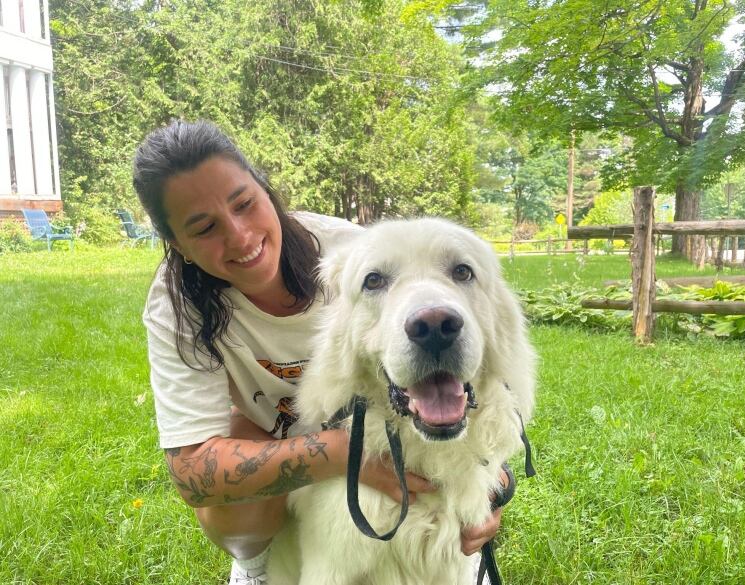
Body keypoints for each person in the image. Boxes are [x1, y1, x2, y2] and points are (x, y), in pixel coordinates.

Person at [133, 119, 506, 585]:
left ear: (267, 192)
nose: (240, 236)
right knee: (229, 463)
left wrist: (489, 479)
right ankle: (255, 565)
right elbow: (192, 472)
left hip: (384, 419)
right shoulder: (178, 308)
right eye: (205, 227)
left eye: (245, 204)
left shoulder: (354, 250)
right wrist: (340, 453)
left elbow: (490, 358)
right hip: (279, 436)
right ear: (177, 245)